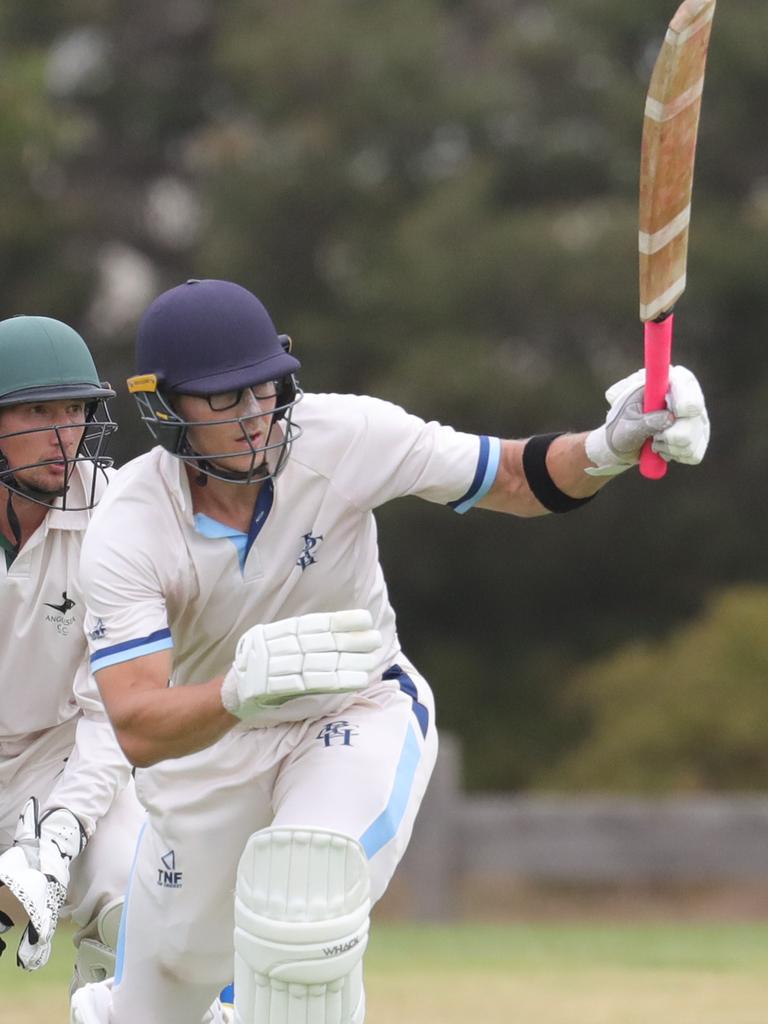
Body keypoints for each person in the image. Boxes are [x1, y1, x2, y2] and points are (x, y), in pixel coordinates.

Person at [70, 278, 709, 1024]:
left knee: (304, 900)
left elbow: (511, 475)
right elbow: (139, 725)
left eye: (264, 390)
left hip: (356, 709)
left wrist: (609, 446)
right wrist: (236, 692)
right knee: (158, 1004)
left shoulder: (345, 435)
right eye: (223, 399)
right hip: (207, 757)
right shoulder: (128, 527)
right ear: (167, 406)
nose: (253, 417)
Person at [0, 315, 145, 989]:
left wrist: (62, 830)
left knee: (137, 900)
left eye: (76, 410)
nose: (66, 435)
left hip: (64, 754)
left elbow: (113, 704)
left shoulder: (117, 516)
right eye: (37, 411)